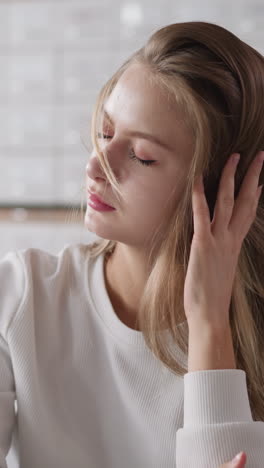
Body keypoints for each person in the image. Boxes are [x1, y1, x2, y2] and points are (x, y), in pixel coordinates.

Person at [1, 21, 263, 468]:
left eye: (141, 155)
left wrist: (209, 323)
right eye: (105, 133)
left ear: (229, 189)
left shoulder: (249, 332)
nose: (95, 166)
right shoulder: (22, 295)